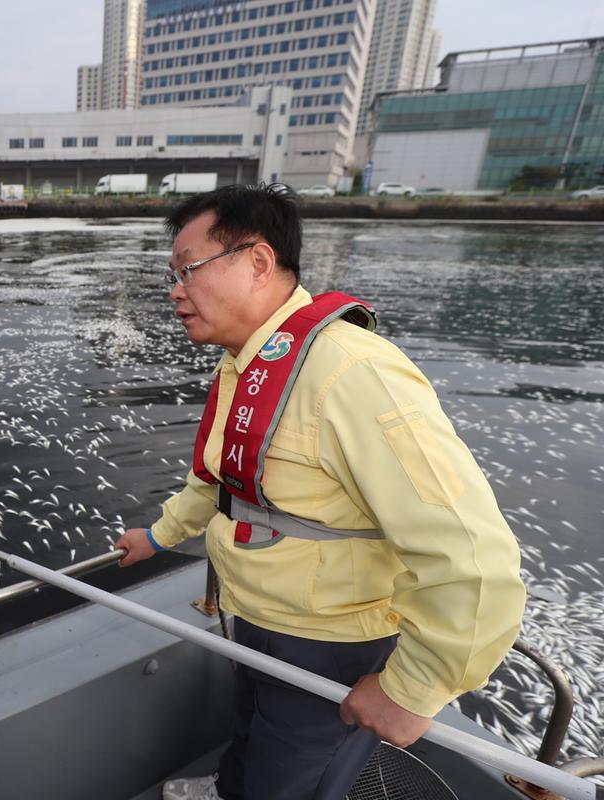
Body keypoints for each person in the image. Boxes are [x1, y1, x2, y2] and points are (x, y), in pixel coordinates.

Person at [113, 184, 526, 800]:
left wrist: (411, 689)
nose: (175, 290)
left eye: (188, 270)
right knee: (250, 729)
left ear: (257, 261)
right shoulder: (249, 364)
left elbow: (475, 559)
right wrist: (159, 535)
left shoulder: (353, 374)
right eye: (172, 274)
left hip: (329, 643)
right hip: (255, 615)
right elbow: (222, 479)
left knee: (292, 777)